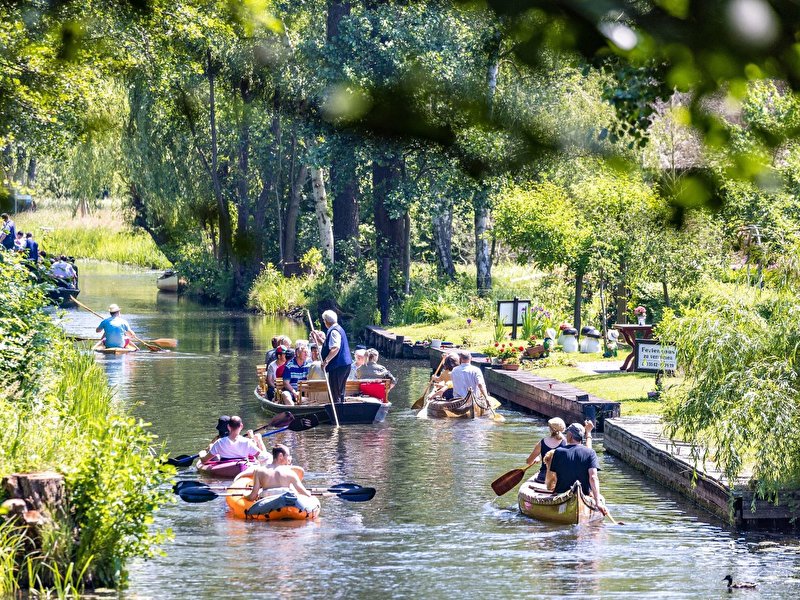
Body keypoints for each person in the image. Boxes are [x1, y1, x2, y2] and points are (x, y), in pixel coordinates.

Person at [543, 422, 607, 515]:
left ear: (570, 435)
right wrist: (597, 502)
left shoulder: (558, 452)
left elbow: (555, 476)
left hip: (562, 494)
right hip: (584, 494)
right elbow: (593, 477)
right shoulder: (590, 452)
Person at [245, 444, 312, 501]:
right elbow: (304, 493)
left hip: (267, 506)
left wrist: (244, 497)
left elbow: (252, 497)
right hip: (287, 505)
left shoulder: (259, 471)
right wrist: (309, 493)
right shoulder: (290, 472)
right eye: (288, 455)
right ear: (280, 456)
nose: (289, 458)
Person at [316, 309, 352, 404]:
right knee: (340, 391)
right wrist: (319, 339)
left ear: (326, 321)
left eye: (324, 320)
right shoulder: (338, 328)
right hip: (345, 365)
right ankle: (340, 409)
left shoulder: (333, 331)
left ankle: (337, 412)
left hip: (338, 366)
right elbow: (329, 346)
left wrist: (326, 361)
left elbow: (335, 348)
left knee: (334, 392)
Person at [200, 415, 266, 464]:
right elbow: (263, 456)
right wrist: (255, 439)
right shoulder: (247, 442)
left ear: (229, 427)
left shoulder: (219, 442)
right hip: (243, 465)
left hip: (225, 467)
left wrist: (201, 453)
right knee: (258, 438)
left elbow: (204, 460)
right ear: (241, 426)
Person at [525, 417, 567, 483]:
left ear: (550, 429)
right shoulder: (566, 443)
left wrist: (537, 458)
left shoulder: (542, 442)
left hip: (543, 478)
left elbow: (529, 461)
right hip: (558, 479)